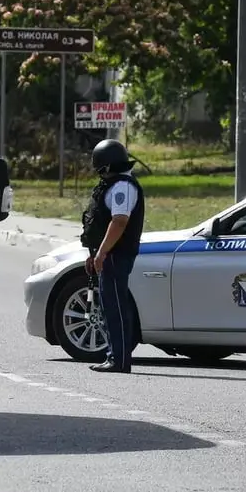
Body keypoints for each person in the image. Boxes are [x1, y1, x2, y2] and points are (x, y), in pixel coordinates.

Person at [79, 138, 144, 374]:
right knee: (109, 307)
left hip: (116, 255)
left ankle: (119, 359)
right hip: (108, 254)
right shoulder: (114, 184)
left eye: (100, 167)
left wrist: (103, 252)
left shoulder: (123, 187)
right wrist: (95, 252)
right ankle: (115, 355)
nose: (99, 172)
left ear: (107, 165)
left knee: (115, 308)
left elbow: (119, 222)